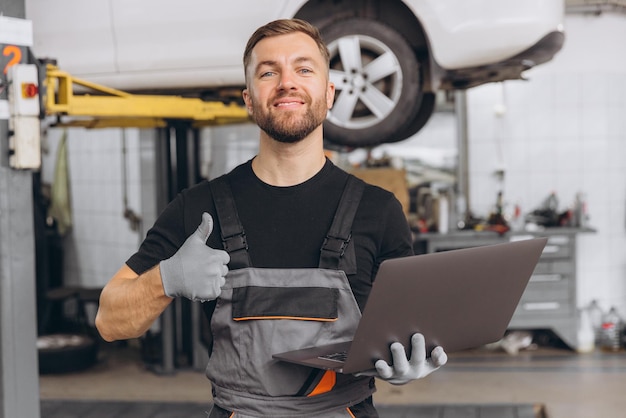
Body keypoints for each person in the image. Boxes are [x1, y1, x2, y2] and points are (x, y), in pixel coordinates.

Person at [95, 18, 447, 417]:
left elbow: (409, 328)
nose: (287, 82)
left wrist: (407, 363)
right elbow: (110, 320)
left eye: (304, 68)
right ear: (249, 99)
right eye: (268, 72)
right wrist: (166, 279)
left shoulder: (378, 211)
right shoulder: (198, 209)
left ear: (329, 93)